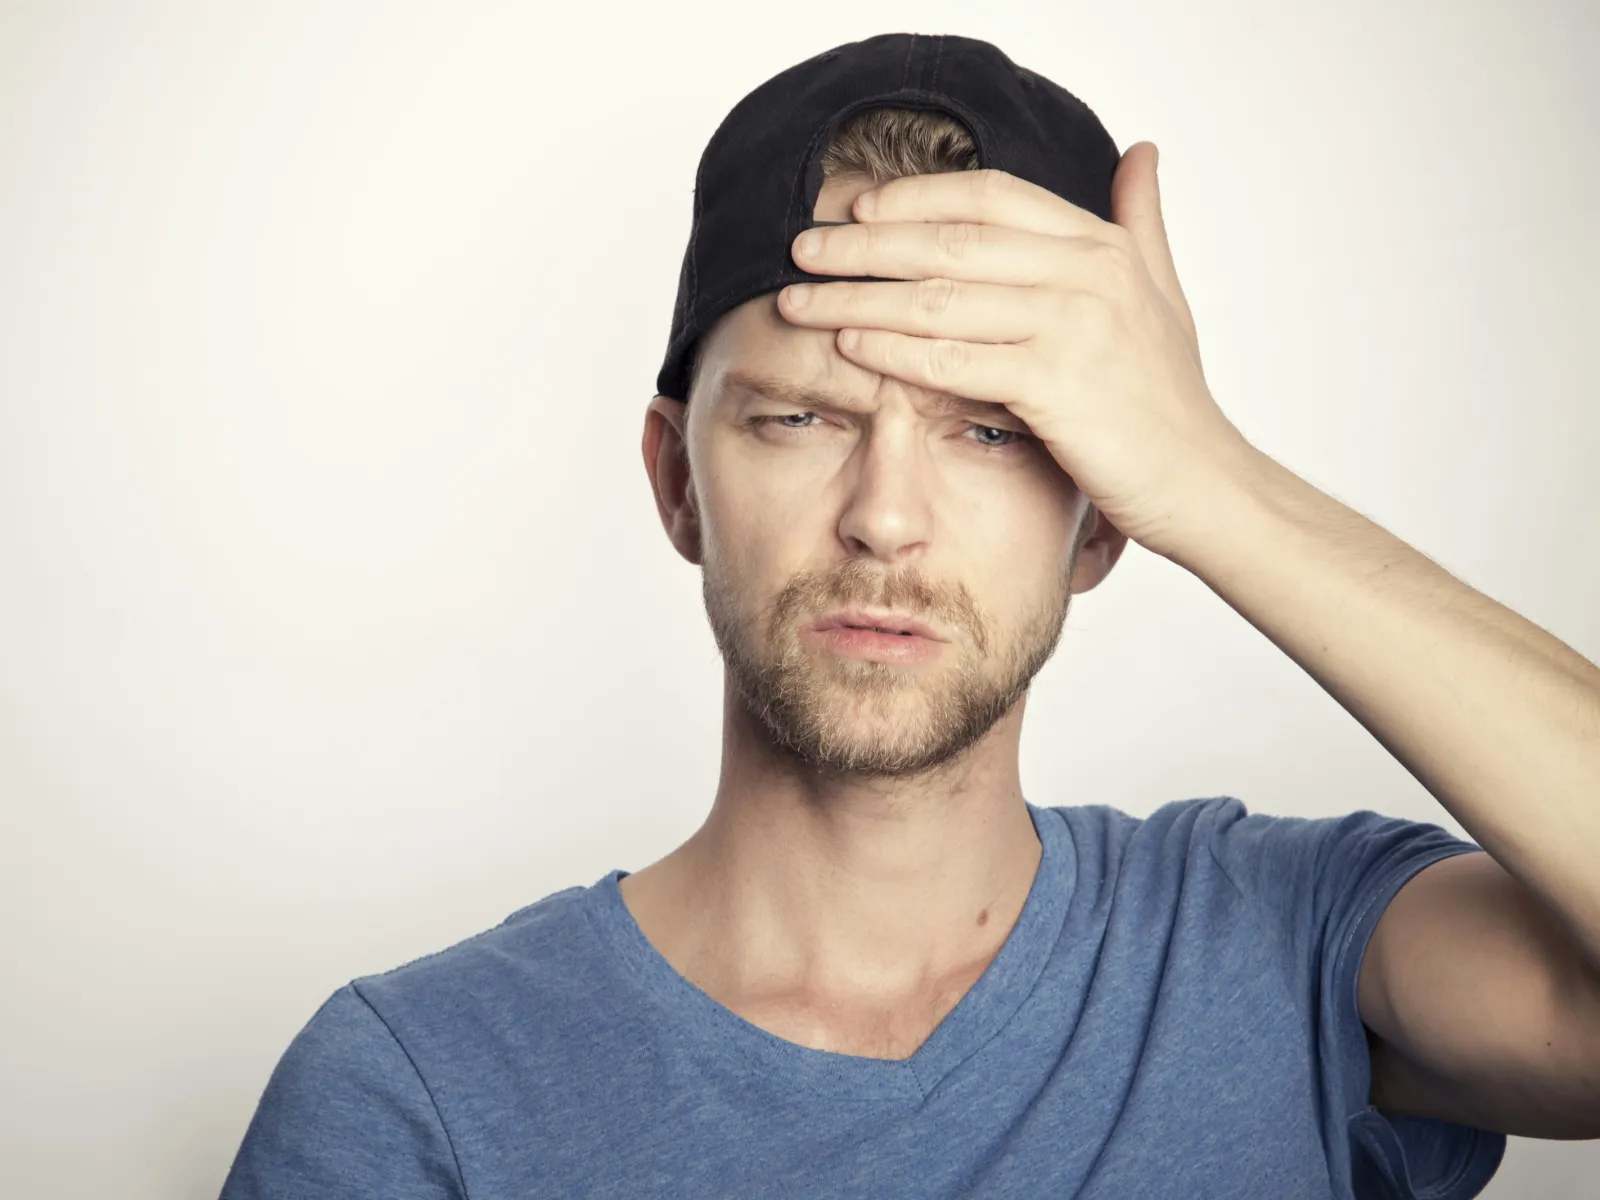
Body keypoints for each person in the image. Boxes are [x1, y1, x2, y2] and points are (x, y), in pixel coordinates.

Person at [220, 32, 1600, 1199]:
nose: (884, 514)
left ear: (1105, 518)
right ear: (678, 482)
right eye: (801, 416)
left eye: (992, 434)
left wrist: (1216, 479)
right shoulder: (416, 1094)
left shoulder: (1280, 948)